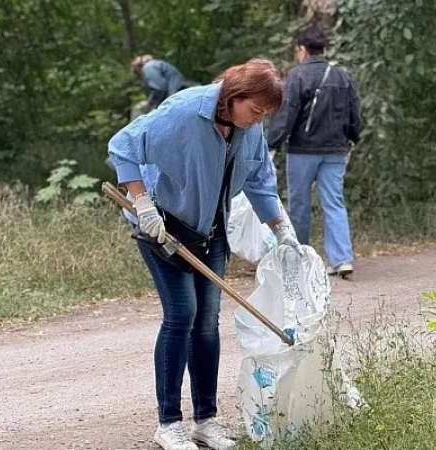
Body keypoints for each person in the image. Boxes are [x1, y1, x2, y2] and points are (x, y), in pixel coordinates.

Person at [107, 59, 302, 450]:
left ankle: (206, 420)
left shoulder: (249, 127)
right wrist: (142, 204)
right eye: (255, 110)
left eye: (265, 113)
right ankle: (168, 424)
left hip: (211, 233)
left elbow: (261, 178)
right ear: (233, 96)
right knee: (183, 315)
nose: (257, 119)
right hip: (163, 226)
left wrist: (281, 228)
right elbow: (122, 146)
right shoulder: (182, 111)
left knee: (207, 323)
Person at [267, 25, 361, 278]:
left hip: (303, 150)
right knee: (334, 203)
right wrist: (353, 137)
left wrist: (271, 143)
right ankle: (342, 260)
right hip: (336, 150)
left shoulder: (297, 77)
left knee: (299, 204)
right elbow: (355, 111)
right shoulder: (342, 76)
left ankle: (299, 259)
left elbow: (286, 114)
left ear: (302, 49)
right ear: (323, 49)